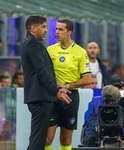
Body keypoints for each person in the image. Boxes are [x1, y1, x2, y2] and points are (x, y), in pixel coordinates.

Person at [21, 15, 72, 150]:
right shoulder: (32, 43)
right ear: (33, 28)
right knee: (38, 142)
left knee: (38, 140)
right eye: (43, 27)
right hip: (40, 99)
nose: (46, 30)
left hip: (41, 98)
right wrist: (56, 91)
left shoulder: (33, 43)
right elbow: (41, 71)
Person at [45, 18, 91, 150]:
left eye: (61, 29)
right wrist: (55, 85)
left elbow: (87, 79)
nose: (57, 32)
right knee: (47, 139)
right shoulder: (50, 50)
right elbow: (43, 74)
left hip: (71, 97)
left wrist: (67, 85)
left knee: (66, 140)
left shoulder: (80, 52)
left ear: (69, 32)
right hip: (53, 96)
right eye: (56, 29)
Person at [82, 79, 124, 147]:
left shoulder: (122, 104)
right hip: (98, 133)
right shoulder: (95, 103)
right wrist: (101, 125)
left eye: (120, 88)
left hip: (118, 132)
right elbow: (90, 122)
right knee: (89, 140)